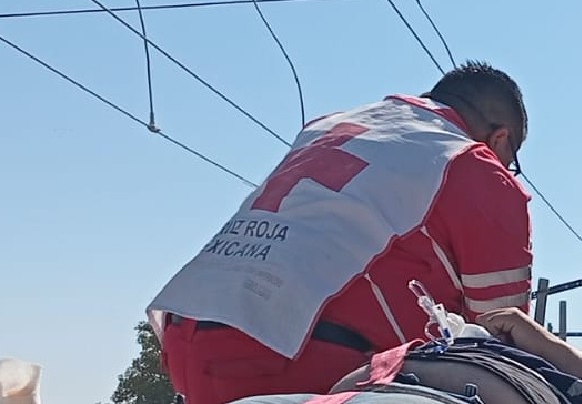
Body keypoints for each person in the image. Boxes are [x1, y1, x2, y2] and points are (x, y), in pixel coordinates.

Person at [147, 60, 536, 404]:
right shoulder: (473, 163)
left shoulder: (330, 127)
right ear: (499, 138)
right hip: (310, 358)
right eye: (511, 158)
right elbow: (503, 334)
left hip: (191, 336)